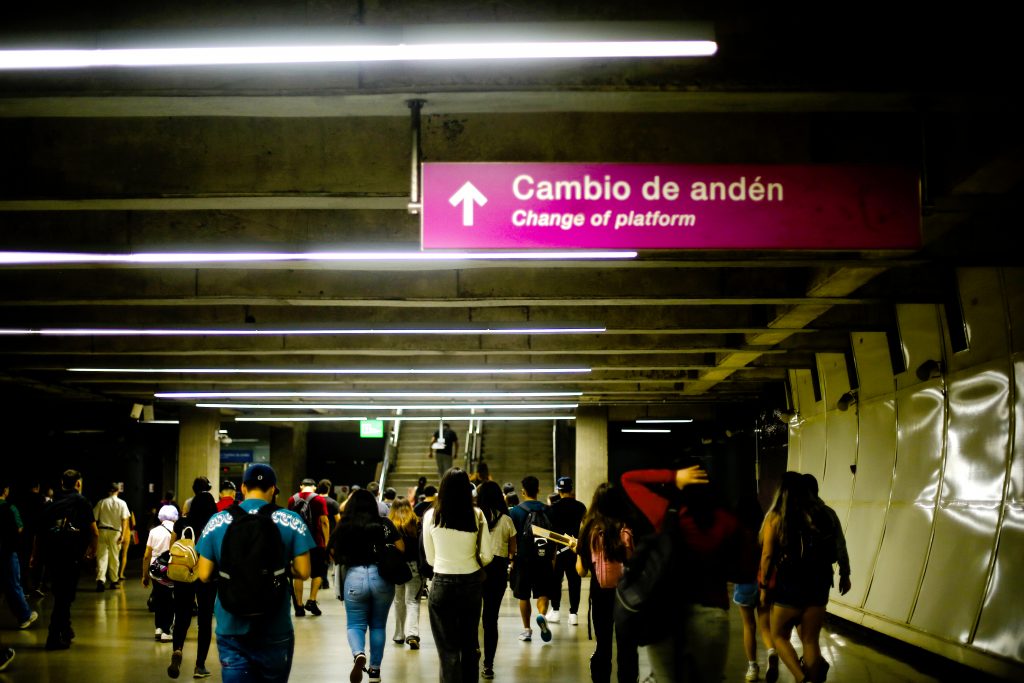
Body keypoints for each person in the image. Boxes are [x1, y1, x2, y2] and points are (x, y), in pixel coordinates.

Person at [621, 463, 742, 683]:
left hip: (666, 614)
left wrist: (673, 475)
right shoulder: (728, 522)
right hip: (712, 617)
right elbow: (745, 571)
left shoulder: (667, 515)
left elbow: (628, 478)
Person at [196, 463, 314, 683]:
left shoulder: (217, 521)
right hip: (275, 626)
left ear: (242, 487)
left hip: (231, 625)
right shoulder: (291, 520)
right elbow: (304, 571)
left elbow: (203, 575)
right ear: (273, 489)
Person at [759, 472, 846, 683]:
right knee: (810, 641)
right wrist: (845, 572)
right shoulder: (821, 515)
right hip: (818, 585)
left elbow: (768, 556)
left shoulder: (776, 517)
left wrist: (763, 587)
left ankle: (801, 678)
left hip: (789, 585)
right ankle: (812, 677)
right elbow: (839, 545)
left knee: (778, 635)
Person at [422, 468, 493, 682]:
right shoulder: (477, 515)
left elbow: (430, 559)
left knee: (447, 649)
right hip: (470, 583)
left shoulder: (430, 516)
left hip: (442, 582)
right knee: (469, 644)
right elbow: (488, 555)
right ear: (467, 489)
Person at [331, 488, 402, 683]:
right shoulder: (384, 524)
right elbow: (401, 548)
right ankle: (375, 671)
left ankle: (358, 654)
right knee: (378, 625)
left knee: (355, 624)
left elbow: (332, 552)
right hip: (381, 578)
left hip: (354, 577)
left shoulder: (344, 525)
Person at [575, 482, 644, 683]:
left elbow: (581, 571)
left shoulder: (589, 528)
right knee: (627, 647)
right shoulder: (629, 525)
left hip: (600, 593)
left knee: (603, 645)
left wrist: (578, 553)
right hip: (626, 594)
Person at [32, 469, 98, 650]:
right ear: (78, 483)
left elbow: (39, 533)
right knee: (64, 598)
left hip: (52, 555)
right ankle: (53, 636)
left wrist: (35, 556)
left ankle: (66, 630)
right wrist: (92, 552)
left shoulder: (52, 503)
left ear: (62, 483)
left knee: (62, 594)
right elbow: (94, 531)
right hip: (71, 556)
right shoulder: (81, 501)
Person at [167, 476, 219, 679]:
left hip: (184, 574)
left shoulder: (182, 523)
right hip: (208, 575)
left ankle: (178, 649)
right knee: (205, 620)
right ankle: (200, 666)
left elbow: (172, 548)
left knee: (182, 616)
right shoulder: (215, 524)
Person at [475, 480, 516, 680]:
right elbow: (512, 549)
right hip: (498, 571)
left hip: (475, 568)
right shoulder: (506, 519)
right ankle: (488, 665)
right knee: (491, 619)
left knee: (472, 617)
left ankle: (473, 654)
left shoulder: (474, 517)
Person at [507, 475, 555, 643]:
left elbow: (511, 537)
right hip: (544, 558)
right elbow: (553, 537)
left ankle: (527, 630)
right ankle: (541, 615)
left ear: (523, 491)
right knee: (543, 592)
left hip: (523, 559)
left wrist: (511, 559)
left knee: (523, 595)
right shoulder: (548, 510)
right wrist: (553, 558)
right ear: (538, 490)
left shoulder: (515, 512)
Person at [733, 493, 775, 683]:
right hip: (763, 581)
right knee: (765, 626)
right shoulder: (764, 527)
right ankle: (771, 651)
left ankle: (752, 668)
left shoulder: (737, 531)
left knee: (748, 626)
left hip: (744, 583)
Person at [547, 475, 587, 626]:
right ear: (572, 489)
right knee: (574, 581)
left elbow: (549, 530)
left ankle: (556, 611)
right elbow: (584, 527)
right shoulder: (581, 507)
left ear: (558, 490)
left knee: (556, 580)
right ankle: (573, 614)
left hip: (557, 550)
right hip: (574, 549)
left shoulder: (552, 508)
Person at [288, 478, 329, 617]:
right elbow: (324, 521)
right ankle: (312, 600)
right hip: (316, 541)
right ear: (315, 487)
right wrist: (327, 542)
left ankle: (299, 606)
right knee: (318, 572)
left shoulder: (292, 499)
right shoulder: (319, 500)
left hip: (298, 541)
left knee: (299, 573)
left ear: (301, 486)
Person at [0, 478, 37, 629]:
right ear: (5, 491)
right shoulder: (10, 508)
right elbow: (19, 528)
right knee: (13, 584)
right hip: (7, 551)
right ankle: (24, 616)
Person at [387, 497, 424, 650]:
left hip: (396, 567)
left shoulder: (389, 524)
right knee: (412, 601)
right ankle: (412, 634)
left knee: (398, 601)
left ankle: (399, 634)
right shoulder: (416, 522)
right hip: (414, 566)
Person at [143, 504, 178, 643]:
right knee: (170, 599)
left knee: (158, 597)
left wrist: (144, 575)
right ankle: (166, 630)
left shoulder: (154, 531)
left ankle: (158, 628)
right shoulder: (177, 531)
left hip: (155, 569)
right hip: (169, 569)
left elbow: (146, 555)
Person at [93, 481, 130, 591]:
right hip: (115, 532)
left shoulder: (101, 502)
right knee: (114, 557)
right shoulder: (122, 503)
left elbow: (94, 518)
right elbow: (124, 519)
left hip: (102, 530)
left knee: (101, 557)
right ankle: (114, 581)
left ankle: (100, 580)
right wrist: (123, 534)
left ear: (109, 491)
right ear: (117, 491)